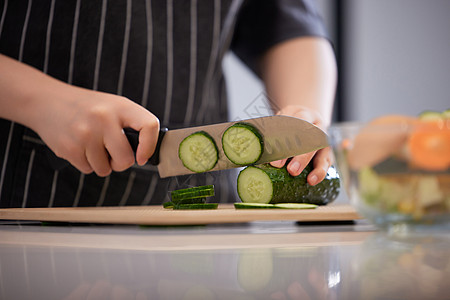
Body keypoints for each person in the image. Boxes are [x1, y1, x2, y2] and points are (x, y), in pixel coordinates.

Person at [0, 0, 337, 208]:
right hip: (29, 204)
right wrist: (42, 101)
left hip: (208, 221)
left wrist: (304, 115)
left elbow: (288, 25)